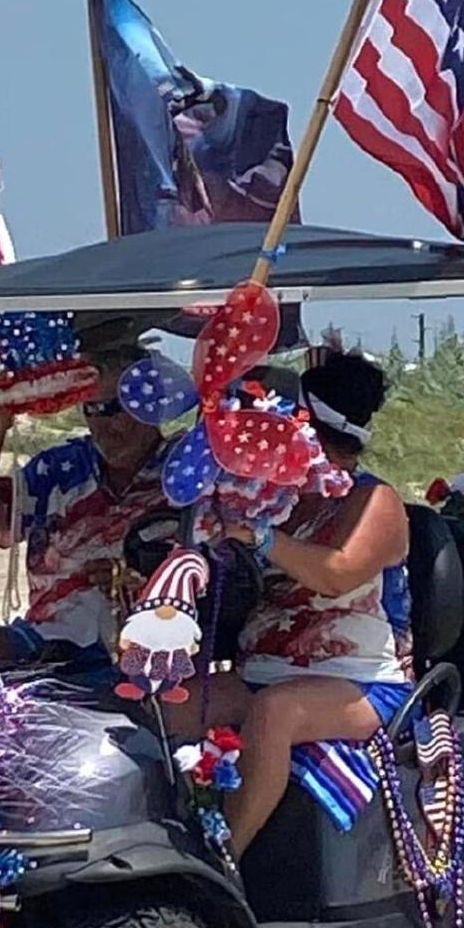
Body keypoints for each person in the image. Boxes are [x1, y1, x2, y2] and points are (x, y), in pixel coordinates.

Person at [175, 354, 412, 859]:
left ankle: (223, 862)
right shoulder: (273, 497)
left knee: (276, 713)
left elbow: (336, 573)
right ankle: (163, 840)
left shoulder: (375, 501)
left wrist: (260, 537)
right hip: (262, 669)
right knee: (166, 705)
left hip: (357, 678)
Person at [0, 329, 167, 676]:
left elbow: (221, 568)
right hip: (49, 638)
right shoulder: (60, 468)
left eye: (117, 408)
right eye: (93, 409)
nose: (105, 425)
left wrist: (144, 580)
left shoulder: (183, 473)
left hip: (153, 639)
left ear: (153, 405)